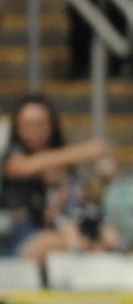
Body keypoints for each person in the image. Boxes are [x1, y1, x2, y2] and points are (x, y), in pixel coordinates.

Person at [1, 95, 120, 262]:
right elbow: (25, 166)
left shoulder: (64, 159)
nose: (34, 131)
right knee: (59, 242)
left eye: (40, 124)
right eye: (27, 125)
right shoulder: (13, 157)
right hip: (22, 236)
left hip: (69, 226)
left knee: (107, 236)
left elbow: (86, 198)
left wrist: (103, 178)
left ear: (52, 125)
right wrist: (84, 152)